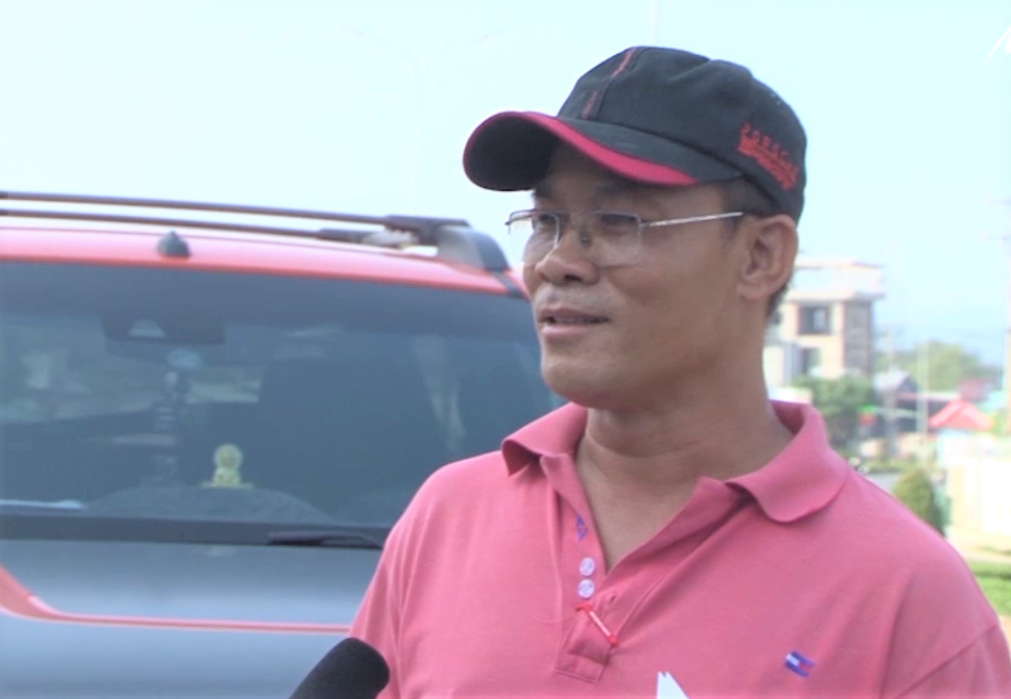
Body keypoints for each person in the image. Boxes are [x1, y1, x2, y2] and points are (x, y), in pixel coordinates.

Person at [350, 46, 1011, 698]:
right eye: (546, 220)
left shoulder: (903, 593)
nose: (558, 261)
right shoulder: (451, 514)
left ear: (760, 256)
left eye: (619, 221)